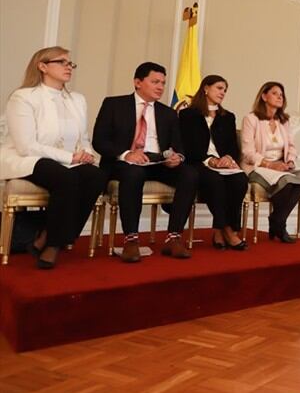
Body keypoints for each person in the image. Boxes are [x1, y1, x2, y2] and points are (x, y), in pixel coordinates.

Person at [0, 47, 107, 269]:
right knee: (66, 179)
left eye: (70, 63)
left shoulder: (77, 99)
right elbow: (26, 145)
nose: (69, 67)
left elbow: (83, 138)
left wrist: (86, 154)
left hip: (66, 160)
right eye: (62, 62)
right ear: (42, 66)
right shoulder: (23, 97)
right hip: (27, 159)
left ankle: (48, 235)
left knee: (96, 176)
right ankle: (53, 245)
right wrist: (71, 157)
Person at [92, 62, 198, 262]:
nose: (160, 87)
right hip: (124, 163)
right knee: (134, 173)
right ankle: (131, 240)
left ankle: (173, 237)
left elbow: (179, 147)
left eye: (163, 83)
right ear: (138, 82)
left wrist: (177, 158)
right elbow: (99, 141)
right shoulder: (114, 104)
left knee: (190, 174)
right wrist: (126, 154)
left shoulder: (167, 113)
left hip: (158, 162)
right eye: (155, 81)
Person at [178, 75, 248, 250]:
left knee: (240, 180)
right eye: (219, 88)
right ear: (206, 88)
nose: (223, 92)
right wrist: (210, 160)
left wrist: (228, 158)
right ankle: (228, 230)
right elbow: (187, 146)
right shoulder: (188, 115)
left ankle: (219, 229)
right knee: (214, 181)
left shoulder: (227, 117)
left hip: (223, 164)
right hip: (198, 162)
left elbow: (232, 146)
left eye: (225, 90)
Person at [240, 82, 300, 242]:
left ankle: (276, 220)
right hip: (258, 166)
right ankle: (280, 225)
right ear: (264, 96)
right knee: (287, 182)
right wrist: (271, 165)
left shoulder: (284, 121)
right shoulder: (251, 119)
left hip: (281, 165)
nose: (280, 96)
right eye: (275, 93)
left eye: (282, 94)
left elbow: (291, 146)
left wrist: (290, 161)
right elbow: (247, 152)